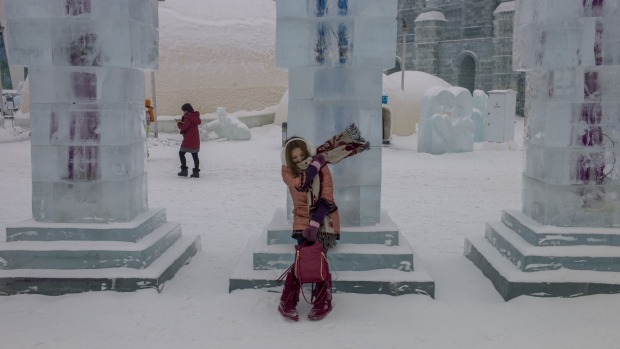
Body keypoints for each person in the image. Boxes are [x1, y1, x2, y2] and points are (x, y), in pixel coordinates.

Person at [278, 124, 370, 322]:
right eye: (294, 158)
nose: (299, 160)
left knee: (320, 261)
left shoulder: (322, 168)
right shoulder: (288, 172)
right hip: (301, 220)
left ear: (307, 151)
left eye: (302, 155)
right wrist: (313, 166)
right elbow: (300, 184)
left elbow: (327, 196)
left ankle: (322, 301)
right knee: (300, 262)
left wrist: (315, 223)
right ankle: (287, 301)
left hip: (324, 220)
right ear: (289, 160)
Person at [176, 103, 202, 178]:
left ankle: (184, 171)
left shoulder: (188, 118)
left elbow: (184, 128)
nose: (183, 112)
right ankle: (196, 172)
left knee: (181, 153)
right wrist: (183, 120)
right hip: (195, 139)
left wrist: (178, 123)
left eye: (183, 111)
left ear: (187, 110)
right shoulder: (195, 116)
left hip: (188, 139)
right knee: (195, 155)